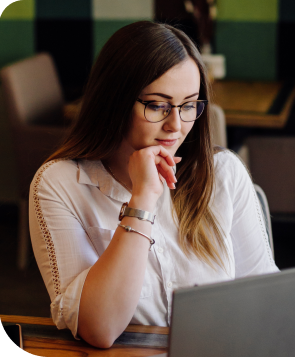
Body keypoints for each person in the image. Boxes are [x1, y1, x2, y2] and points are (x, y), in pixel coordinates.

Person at [29, 21, 278, 349]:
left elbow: (267, 298)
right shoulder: (60, 184)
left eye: (189, 105)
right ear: (114, 101)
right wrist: (142, 201)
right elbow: (99, 328)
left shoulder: (224, 173)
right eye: (158, 105)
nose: (176, 125)